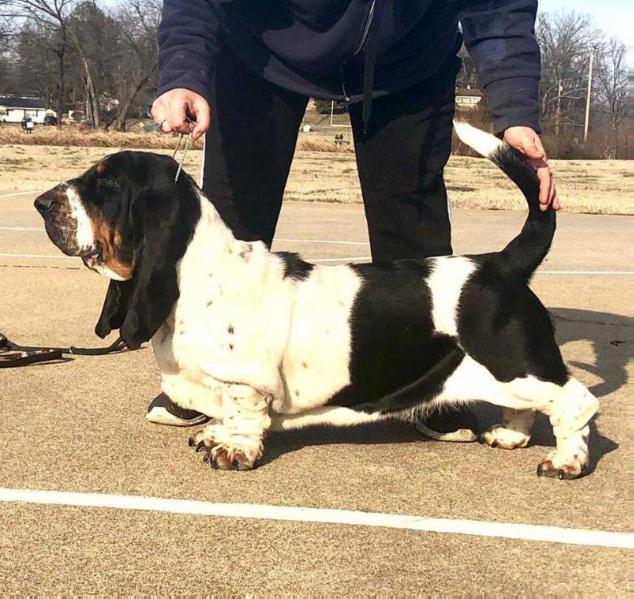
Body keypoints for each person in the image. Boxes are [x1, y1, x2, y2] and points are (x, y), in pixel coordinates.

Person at [148, 0, 559, 435]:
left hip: (408, 61)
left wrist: (515, 110)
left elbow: (499, 7)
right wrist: (183, 72)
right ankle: (200, 381)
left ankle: (430, 379)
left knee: (414, 232)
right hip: (258, 51)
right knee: (227, 235)